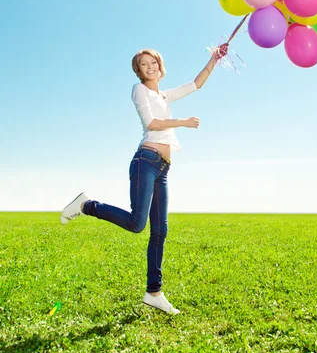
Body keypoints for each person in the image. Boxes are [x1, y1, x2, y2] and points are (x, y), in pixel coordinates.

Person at [60, 43, 229, 314]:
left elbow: (196, 84)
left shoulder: (165, 95)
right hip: (146, 162)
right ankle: (86, 205)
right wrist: (183, 122)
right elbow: (151, 123)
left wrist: (214, 59)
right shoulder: (139, 91)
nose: (150, 67)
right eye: (143, 65)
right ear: (138, 72)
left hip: (162, 167)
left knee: (160, 231)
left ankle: (154, 292)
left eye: (153, 63)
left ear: (160, 67)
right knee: (137, 223)